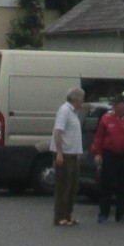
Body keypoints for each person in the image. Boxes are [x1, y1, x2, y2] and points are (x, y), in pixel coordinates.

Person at [92, 94, 124, 224]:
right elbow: (99, 137)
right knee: (106, 185)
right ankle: (103, 213)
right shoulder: (106, 119)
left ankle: (122, 214)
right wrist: (97, 153)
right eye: (117, 105)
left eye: (122, 105)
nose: (119, 108)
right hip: (109, 155)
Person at [51, 87, 85, 227]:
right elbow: (58, 132)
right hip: (64, 153)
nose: (83, 100)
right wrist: (59, 153)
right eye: (82, 98)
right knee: (64, 185)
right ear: (76, 98)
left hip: (73, 153)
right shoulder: (64, 111)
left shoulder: (74, 112)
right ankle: (59, 216)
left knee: (73, 186)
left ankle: (67, 215)